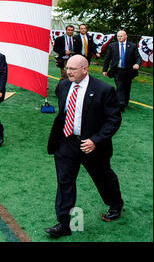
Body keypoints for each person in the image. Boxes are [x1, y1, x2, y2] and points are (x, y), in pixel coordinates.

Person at [46, 55, 124, 239]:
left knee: (103, 177)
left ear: (85, 69)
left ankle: (115, 203)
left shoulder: (104, 90)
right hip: (67, 142)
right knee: (64, 182)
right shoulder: (63, 86)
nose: (69, 71)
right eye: (67, 68)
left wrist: (96, 140)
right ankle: (64, 224)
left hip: (93, 145)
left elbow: (114, 120)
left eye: (73, 69)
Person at [102, 30, 141, 112]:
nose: (119, 38)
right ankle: (120, 103)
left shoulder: (132, 46)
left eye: (121, 36)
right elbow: (107, 58)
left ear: (126, 36)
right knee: (120, 86)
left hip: (128, 70)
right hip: (117, 70)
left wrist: (137, 64)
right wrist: (105, 70)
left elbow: (138, 57)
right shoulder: (112, 46)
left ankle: (125, 102)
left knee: (127, 86)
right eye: (118, 36)